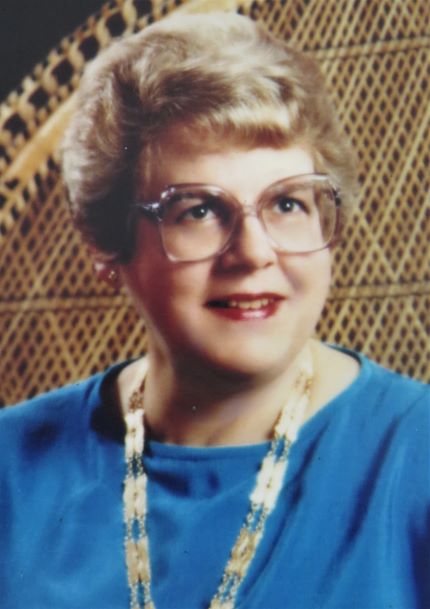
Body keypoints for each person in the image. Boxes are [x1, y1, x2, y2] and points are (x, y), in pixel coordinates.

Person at [0, 12, 428, 609]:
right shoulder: (12, 466)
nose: (253, 253)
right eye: (198, 210)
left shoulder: (415, 455)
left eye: (287, 204)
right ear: (108, 245)